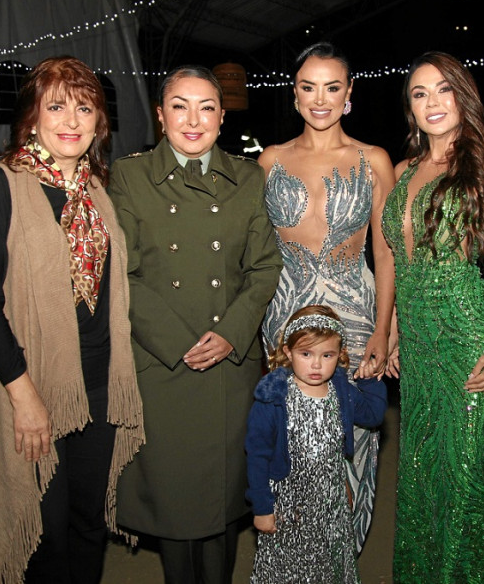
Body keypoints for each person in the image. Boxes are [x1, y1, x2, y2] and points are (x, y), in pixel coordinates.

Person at [0, 56, 144, 584]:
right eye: (56, 105)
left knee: (88, 523)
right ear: (31, 118)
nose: (71, 119)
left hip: (98, 383)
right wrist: (25, 396)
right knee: (46, 530)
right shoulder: (3, 186)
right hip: (31, 383)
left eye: (84, 107)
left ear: (99, 122)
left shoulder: (98, 194)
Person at [110, 65, 282, 584]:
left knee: (223, 500)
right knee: (177, 500)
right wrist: (179, 341)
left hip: (228, 365)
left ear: (222, 117)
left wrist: (230, 332)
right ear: (160, 116)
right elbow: (122, 271)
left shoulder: (247, 177)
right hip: (164, 362)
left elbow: (264, 266)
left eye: (206, 107)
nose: (193, 119)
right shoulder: (129, 176)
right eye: (180, 106)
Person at [380, 51, 484, 582]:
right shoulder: (403, 171)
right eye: (419, 94)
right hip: (420, 348)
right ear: (410, 109)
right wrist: (393, 330)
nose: (432, 103)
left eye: (443, 90)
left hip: (472, 339)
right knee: (425, 474)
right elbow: (399, 260)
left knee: (470, 480)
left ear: (462, 97)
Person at [258, 41, 395, 549]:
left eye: (332, 87)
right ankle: (292, 558)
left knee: (353, 441)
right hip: (286, 321)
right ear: (294, 95)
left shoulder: (373, 159)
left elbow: (386, 255)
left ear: (349, 93)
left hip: (355, 320)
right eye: (308, 87)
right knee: (289, 442)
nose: (320, 98)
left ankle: (343, 556)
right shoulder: (270, 161)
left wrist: (385, 329)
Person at [246, 304, 387, 583]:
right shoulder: (273, 399)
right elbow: (257, 457)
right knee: (288, 569)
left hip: (331, 504)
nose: (316, 364)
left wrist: (370, 380)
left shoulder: (341, 392)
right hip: (289, 509)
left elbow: (372, 415)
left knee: (329, 567)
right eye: (306, 353)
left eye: (327, 355)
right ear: (288, 352)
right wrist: (262, 508)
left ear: (340, 355)